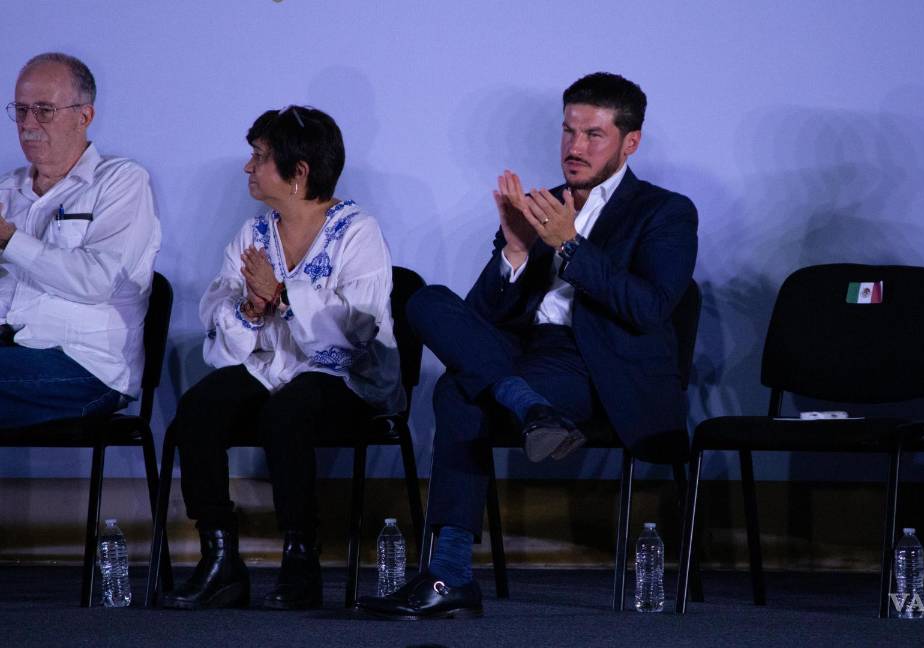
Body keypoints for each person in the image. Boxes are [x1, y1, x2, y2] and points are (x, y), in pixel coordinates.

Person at [356, 72, 698, 620]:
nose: (574, 147)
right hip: (522, 357)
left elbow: (650, 307)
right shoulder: (542, 202)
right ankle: (529, 406)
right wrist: (514, 251)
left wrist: (570, 245)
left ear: (630, 142)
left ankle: (448, 575)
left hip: (594, 368)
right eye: (568, 131)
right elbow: (479, 319)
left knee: (457, 393)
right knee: (425, 301)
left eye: (593, 135)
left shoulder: (665, 211)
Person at [161, 106, 404, 611]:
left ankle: (300, 560)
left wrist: (283, 296)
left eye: (260, 157)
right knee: (200, 408)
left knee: (288, 411)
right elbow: (220, 325)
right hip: (273, 368)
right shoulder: (254, 234)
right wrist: (250, 309)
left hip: (347, 379)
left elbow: (359, 331)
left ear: (299, 171)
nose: (248, 167)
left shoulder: (357, 231)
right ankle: (220, 559)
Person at [0, 52, 160, 426]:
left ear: (84, 116)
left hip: (84, 364)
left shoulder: (121, 182)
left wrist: (9, 239)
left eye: (44, 111)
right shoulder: (8, 188)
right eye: (21, 110)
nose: (28, 124)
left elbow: (98, 281)